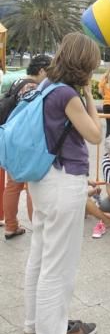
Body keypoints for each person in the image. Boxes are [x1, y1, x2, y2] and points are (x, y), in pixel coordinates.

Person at [24, 32, 102, 334]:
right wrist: (88, 96)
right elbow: (95, 134)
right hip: (63, 181)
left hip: (42, 178)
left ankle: (34, 323)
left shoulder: (44, 87)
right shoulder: (68, 95)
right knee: (59, 264)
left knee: (40, 255)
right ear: (84, 64)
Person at [3, 55, 51, 239]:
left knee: (13, 185)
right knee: (32, 184)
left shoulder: (18, 81)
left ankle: (11, 226)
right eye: (49, 72)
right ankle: (37, 227)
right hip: (25, 143)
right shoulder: (32, 87)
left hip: (12, 141)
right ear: (41, 71)